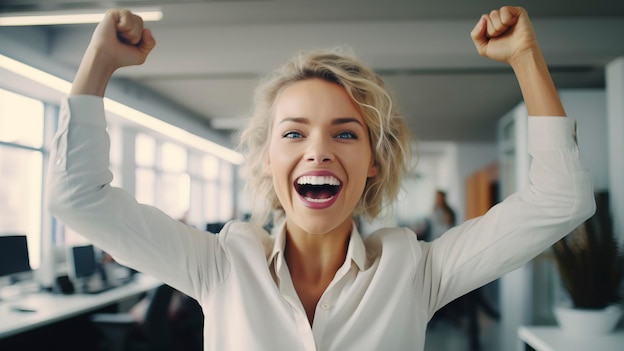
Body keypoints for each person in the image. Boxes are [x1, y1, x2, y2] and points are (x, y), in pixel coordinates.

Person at [46, 6, 595, 350]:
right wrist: (97, 63)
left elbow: (560, 199)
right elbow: (79, 198)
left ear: (374, 161)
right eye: (293, 134)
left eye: (345, 134)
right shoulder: (219, 266)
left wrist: (525, 57)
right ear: (265, 159)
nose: (318, 153)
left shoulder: (415, 271)